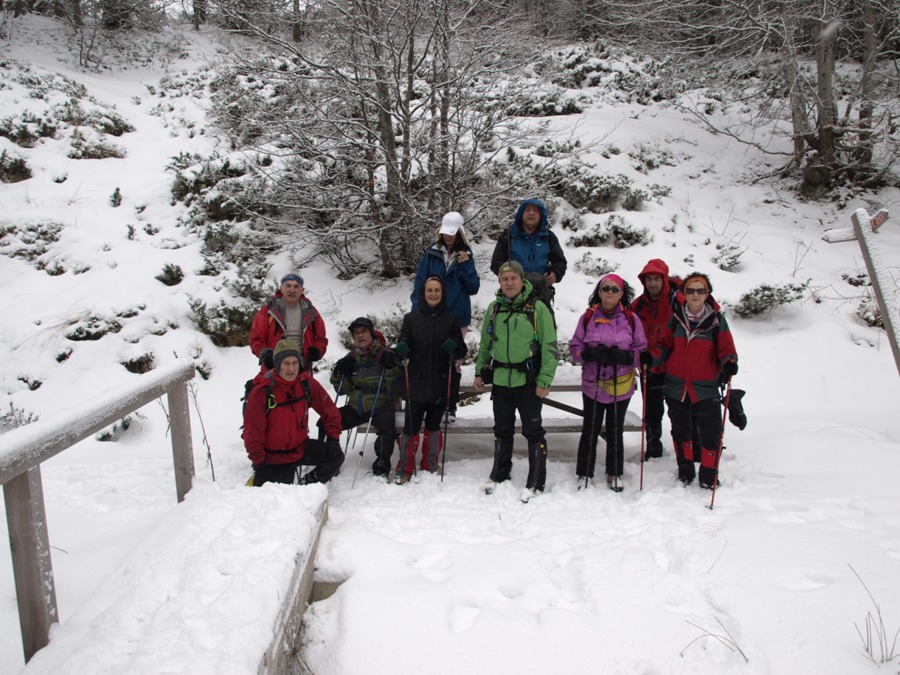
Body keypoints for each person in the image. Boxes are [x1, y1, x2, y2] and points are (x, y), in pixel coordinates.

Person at [474, 260, 558, 502]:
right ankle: (500, 473)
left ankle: (536, 481)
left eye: (513, 278)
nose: (509, 282)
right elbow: (485, 344)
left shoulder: (537, 308)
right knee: (502, 430)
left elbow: (550, 347)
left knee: (533, 432)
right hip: (501, 379)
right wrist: (479, 372)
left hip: (528, 381)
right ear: (500, 282)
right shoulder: (494, 309)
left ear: (522, 281)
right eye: (505, 279)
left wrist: (544, 381)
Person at [647, 272, 738, 489]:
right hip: (676, 386)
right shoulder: (676, 319)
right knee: (681, 432)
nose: (695, 294)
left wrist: (729, 362)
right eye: (690, 290)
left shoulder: (716, 321)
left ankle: (708, 475)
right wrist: (651, 357)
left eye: (700, 290)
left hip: (705, 387)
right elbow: (664, 346)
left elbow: (726, 348)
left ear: (707, 294)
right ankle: (685, 472)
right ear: (684, 293)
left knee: (711, 433)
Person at [570, 274, 647, 491]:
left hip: (620, 384)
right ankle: (584, 472)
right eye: (606, 288)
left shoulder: (631, 319)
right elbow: (575, 348)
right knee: (590, 429)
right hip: (593, 383)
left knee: (615, 430)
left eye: (615, 289)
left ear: (622, 293)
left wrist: (627, 358)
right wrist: (588, 354)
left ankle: (614, 473)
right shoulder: (588, 317)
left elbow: (641, 349)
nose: (610, 292)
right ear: (599, 291)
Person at [394, 276, 466, 484]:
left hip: (440, 382)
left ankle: (430, 463)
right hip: (416, 382)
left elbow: (462, 350)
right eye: (429, 290)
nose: (433, 294)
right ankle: (405, 465)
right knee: (411, 427)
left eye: (437, 290)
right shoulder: (411, 319)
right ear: (423, 293)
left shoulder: (451, 319)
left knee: (434, 426)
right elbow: (402, 348)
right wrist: (402, 349)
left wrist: (455, 345)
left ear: (442, 293)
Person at [243, 340, 344, 487]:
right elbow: (252, 435)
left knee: (336, 456)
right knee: (278, 498)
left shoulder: (306, 384)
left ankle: (306, 487)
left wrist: (333, 439)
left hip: (300, 448)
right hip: (275, 458)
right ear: (277, 364)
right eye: (286, 363)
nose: (291, 369)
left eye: (295, 363)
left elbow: (329, 410)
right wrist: (260, 465)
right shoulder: (261, 393)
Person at [411, 212, 480, 422]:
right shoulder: (432, 252)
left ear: (460, 232)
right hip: (431, 315)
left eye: (453, 233)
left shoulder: (466, 254)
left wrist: (466, 265)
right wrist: (416, 312)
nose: (449, 237)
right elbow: (420, 282)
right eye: (446, 233)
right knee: (430, 359)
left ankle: (450, 407)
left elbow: (473, 287)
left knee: (452, 361)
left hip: (457, 317)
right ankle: (430, 405)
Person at [327, 317, 402, 478]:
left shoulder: (386, 354)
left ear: (371, 333)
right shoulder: (351, 358)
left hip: (381, 405)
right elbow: (342, 390)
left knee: (387, 428)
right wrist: (339, 373)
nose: (360, 335)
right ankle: (330, 461)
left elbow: (396, 388)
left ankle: (382, 467)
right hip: (356, 407)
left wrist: (391, 368)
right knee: (326, 422)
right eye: (356, 333)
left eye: (364, 331)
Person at [630, 259, 679, 459]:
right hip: (649, 365)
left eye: (656, 279)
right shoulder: (638, 305)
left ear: (664, 280)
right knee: (651, 412)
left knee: (678, 411)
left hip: (674, 366)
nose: (652, 284)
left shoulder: (677, 301)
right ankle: (654, 449)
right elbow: (629, 332)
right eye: (648, 279)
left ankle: (684, 450)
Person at [489, 198, 567, 313]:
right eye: (527, 210)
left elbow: (560, 262)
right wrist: (509, 275)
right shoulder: (508, 236)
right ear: (521, 214)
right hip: (513, 294)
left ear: (541, 215)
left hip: (541, 293)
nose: (531, 213)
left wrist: (555, 274)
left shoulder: (548, 237)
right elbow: (496, 262)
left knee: (543, 323)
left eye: (535, 210)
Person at [249, 273, 327, 373]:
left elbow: (321, 338)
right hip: (274, 367)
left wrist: (318, 350)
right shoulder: (268, 311)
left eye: (296, 286)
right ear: (281, 288)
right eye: (288, 286)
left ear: (302, 290)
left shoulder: (311, 311)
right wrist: (265, 354)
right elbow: (256, 339)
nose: (292, 290)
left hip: (302, 367)